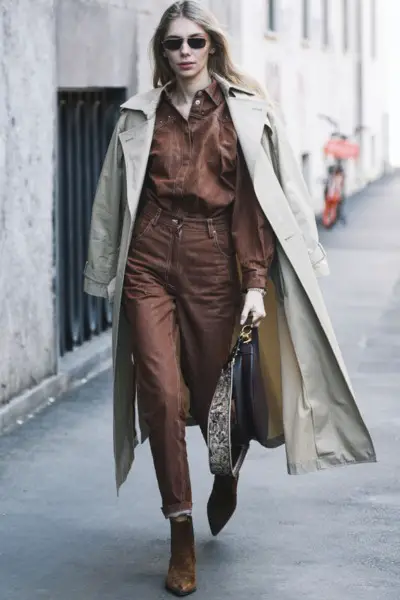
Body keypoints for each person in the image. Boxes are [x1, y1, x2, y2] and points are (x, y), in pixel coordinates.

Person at [84, 1, 376, 596]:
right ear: (161, 51)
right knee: (163, 395)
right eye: (173, 43)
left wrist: (255, 286)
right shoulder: (140, 116)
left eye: (195, 41)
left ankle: (226, 466)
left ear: (212, 46)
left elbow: (253, 207)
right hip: (148, 263)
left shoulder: (246, 115)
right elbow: (112, 196)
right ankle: (181, 530)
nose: (184, 52)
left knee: (225, 400)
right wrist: (104, 270)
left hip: (215, 263)